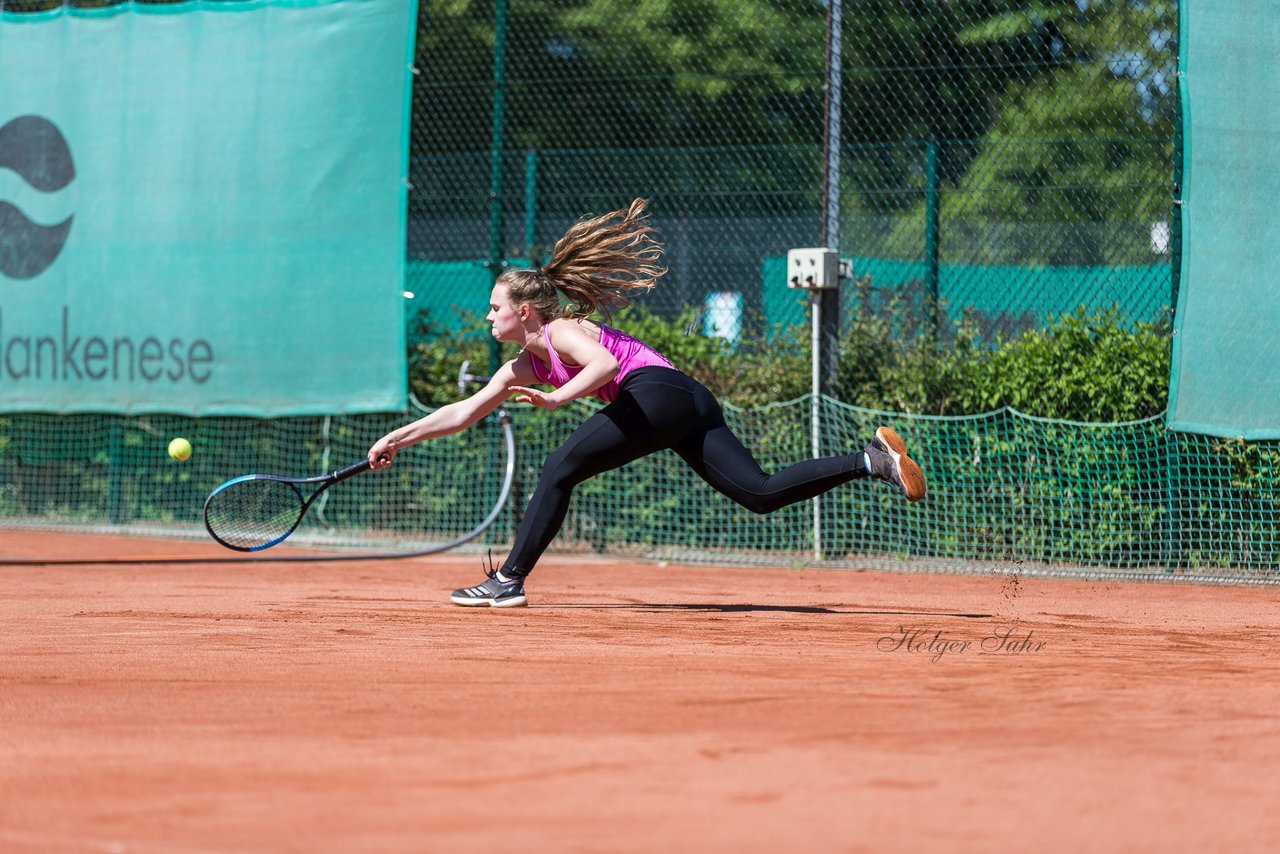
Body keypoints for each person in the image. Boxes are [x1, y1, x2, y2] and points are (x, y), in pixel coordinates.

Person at [368, 199, 925, 608]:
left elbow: (607, 367)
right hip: (685, 401)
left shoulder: (562, 331)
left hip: (657, 392)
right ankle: (869, 460)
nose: (489, 316)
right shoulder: (521, 365)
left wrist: (559, 397)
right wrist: (396, 438)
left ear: (527, 312)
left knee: (561, 466)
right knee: (758, 493)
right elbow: (463, 412)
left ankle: (508, 580)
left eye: (496, 308)